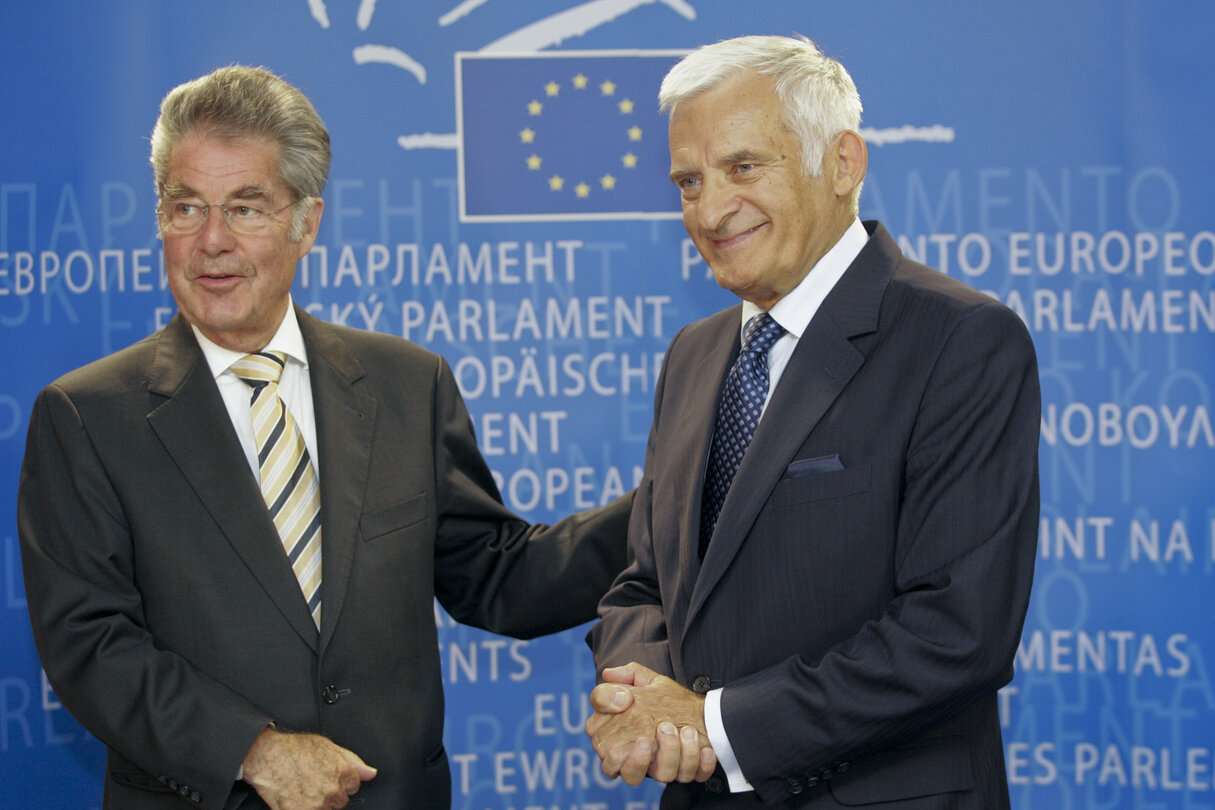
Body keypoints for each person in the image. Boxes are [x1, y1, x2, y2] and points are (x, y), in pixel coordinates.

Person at [17, 65, 631, 810]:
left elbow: (495, 577)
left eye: (246, 208)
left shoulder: (407, 383)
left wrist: (671, 507)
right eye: (185, 207)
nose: (211, 241)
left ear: (307, 222)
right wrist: (253, 750)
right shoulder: (87, 415)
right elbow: (89, 645)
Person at [585, 35, 1040, 808]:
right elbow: (645, 582)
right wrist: (638, 696)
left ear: (842, 164)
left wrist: (713, 725)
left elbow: (955, 631)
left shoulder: (958, 339)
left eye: (742, 167)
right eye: (688, 181)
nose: (709, 208)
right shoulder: (694, 355)